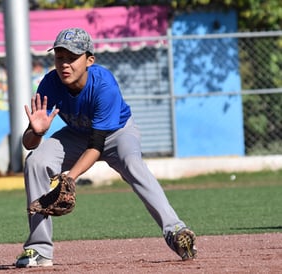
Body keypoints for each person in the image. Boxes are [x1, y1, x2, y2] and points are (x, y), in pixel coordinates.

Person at [15, 27, 197, 268]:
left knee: (133, 164)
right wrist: (35, 133)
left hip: (117, 133)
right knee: (36, 162)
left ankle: (175, 231)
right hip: (77, 135)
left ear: (90, 60)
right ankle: (39, 249)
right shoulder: (50, 83)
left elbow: (97, 145)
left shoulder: (104, 85)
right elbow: (29, 145)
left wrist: (70, 178)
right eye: (60, 57)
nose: (65, 64)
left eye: (72, 58)